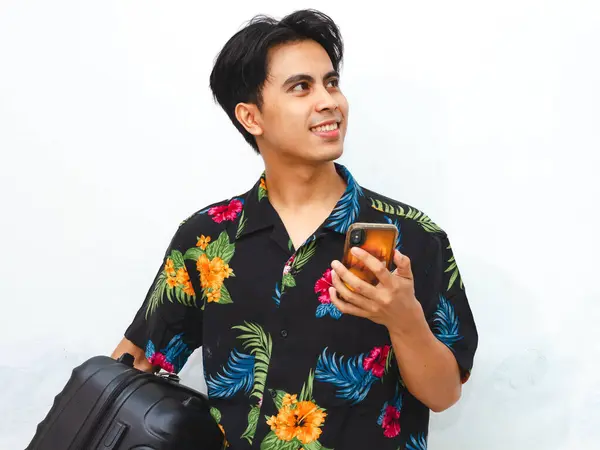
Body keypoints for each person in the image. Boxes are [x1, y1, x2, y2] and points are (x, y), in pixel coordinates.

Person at [112, 9, 478, 450]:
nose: (329, 101)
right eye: (301, 87)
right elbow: (133, 364)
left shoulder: (413, 236)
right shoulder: (207, 239)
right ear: (251, 117)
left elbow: (444, 394)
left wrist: (403, 320)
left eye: (332, 82)